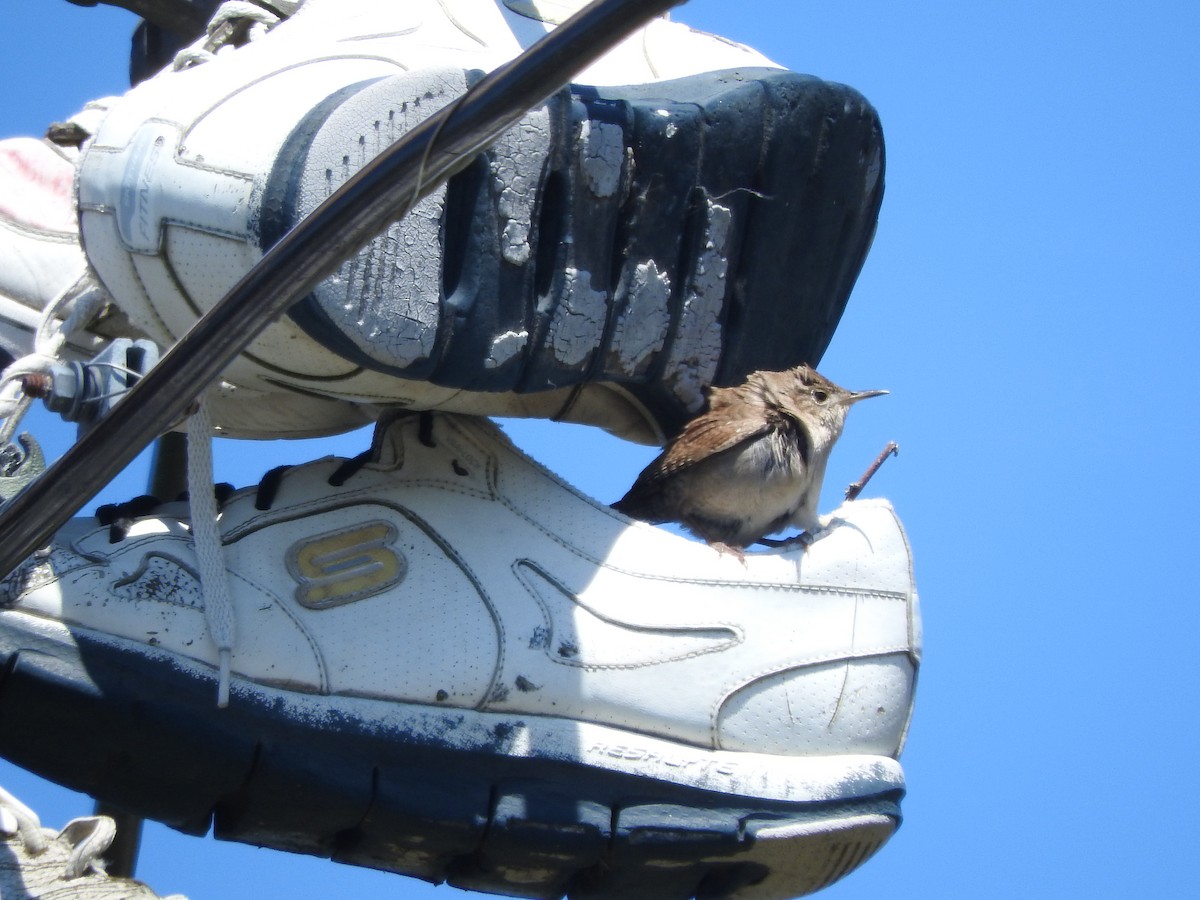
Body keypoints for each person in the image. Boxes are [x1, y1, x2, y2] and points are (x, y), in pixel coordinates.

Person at [0, 2, 920, 897]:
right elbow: (674, 474)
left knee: (201, 226)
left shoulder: (783, 432)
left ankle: (190, 216)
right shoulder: (749, 418)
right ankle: (160, 253)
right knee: (206, 251)